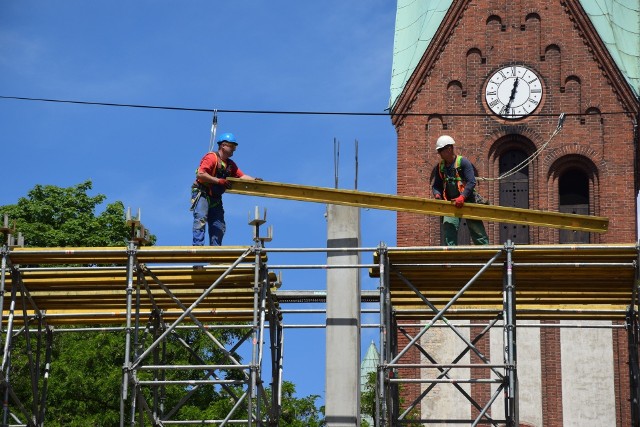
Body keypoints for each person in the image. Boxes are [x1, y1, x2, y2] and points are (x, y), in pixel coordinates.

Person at [191, 132, 261, 246]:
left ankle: (215, 256)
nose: (234, 149)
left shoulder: (230, 165)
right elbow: (200, 174)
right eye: (232, 146)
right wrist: (219, 181)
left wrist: (254, 180)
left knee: (218, 226)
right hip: (202, 192)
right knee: (200, 219)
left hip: (215, 198)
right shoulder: (212, 158)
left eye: (235, 147)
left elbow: (242, 176)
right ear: (223, 145)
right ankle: (197, 250)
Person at [432, 135, 489, 246]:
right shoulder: (440, 167)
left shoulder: (463, 162)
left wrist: (462, 197)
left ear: (449, 149)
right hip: (452, 203)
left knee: (476, 229)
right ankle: (451, 256)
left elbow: (471, 182)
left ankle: (485, 254)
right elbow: (436, 186)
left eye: (440, 151)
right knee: (449, 226)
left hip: (468, 201)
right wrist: (437, 195)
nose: (439, 154)